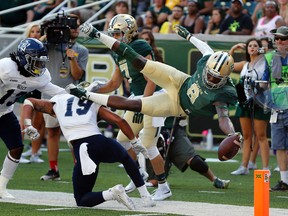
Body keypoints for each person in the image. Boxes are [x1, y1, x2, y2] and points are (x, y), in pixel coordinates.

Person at [66, 24, 242, 155]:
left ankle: (86, 94)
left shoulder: (224, 92)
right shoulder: (208, 60)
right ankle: (97, 34)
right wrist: (189, 36)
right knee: (141, 63)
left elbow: (223, 118)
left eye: (216, 78)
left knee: (134, 104)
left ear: (225, 78)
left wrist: (232, 133)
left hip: (177, 105)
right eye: (210, 74)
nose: (211, 79)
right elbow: (205, 48)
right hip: (181, 81)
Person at [83, 14, 172, 201]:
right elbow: (114, 83)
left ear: (129, 32)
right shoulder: (118, 51)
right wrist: (92, 89)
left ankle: (163, 187)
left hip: (153, 98)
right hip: (137, 99)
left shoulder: (140, 47)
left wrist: (143, 105)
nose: (115, 37)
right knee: (123, 141)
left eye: (118, 33)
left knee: (149, 145)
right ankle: (140, 174)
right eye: (113, 33)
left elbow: (151, 80)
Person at [22, 94, 156, 208]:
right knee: (126, 158)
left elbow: (29, 101)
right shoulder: (91, 100)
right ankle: (146, 196)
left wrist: (28, 123)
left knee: (82, 199)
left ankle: (112, 193)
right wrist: (134, 141)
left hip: (82, 148)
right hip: (100, 141)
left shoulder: (57, 103)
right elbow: (119, 120)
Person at [0, 38, 65, 199]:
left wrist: (80, 95)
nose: (40, 67)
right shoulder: (6, 67)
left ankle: (1, 186)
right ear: (24, 58)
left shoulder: (40, 77)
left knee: (16, 147)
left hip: (4, 112)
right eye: (36, 62)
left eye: (41, 63)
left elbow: (57, 92)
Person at [40, 14, 88, 181]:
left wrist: (72, 58)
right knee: (52, 132)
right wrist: (47, 30)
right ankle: (53, 170)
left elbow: (77, 75)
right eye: (70, 25)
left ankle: (79, 168)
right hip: (49, 95)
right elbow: (35, 48)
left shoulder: (81, 50)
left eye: (76, 25)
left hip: (70, 96)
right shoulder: (50, 44)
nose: (74, 28)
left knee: (73, 136)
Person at [146, 117, 231, 189]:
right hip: (152, 129)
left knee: (196, 162)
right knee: (154, 182)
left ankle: (214, 179)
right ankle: (141, 176)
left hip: (174, 129)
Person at [229, 38, 271, 175]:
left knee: (261, 136)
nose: (252, 48)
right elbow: (227, 65)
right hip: (244, 103)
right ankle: (244, 167)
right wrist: (234, 48)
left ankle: (266, 168)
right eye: (250, 46)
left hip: (260, 102)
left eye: (255, 46)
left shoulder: (265, 62)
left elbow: (269, 51)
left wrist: (261, 49)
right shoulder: (244, 64)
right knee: (246, 136)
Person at [261, 26, 288, 191]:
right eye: (277, 38)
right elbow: (264, 81)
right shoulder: (270, 57)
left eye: (282, 39)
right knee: (279, 146)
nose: (279, 41)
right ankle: (285, 181)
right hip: (276, 107)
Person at [18, 23, 47, 164]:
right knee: (24, 121)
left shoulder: (44, 48)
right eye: (33, 32)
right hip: (28, 85)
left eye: (38, 31)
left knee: (39, 122)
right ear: (28, 34)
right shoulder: (24, 48)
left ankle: (35, 153)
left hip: (40, 85)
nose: (36, 34)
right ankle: (18, 151)